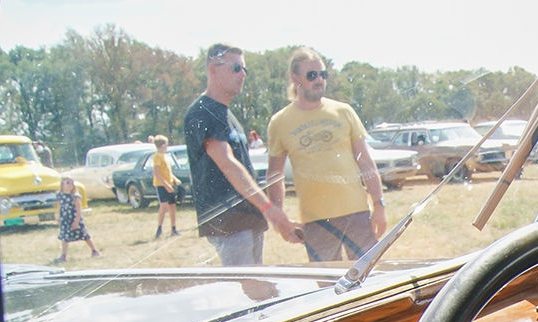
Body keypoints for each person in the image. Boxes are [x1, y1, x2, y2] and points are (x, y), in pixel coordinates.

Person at [266, 47, 388, 262]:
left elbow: (366, 162)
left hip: (356, 214)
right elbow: (275, 175)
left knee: (369, 279)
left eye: (323, 74)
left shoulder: (344, 111)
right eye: (312, 75)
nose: (319, 80)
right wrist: (280, 218)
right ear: (295, 78)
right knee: (327, 287)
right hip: (316, 221)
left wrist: (378, 205)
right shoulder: (279, 122)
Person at [184, 43, 300, 266]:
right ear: (212, 69)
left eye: (244, 69)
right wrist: (269, 209)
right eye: (236, 68)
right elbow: (227, 163)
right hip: (229, 225)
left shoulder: (226, 114)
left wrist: (271, 215)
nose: (243, 75)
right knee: (249, 290)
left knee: (257, 290)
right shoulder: (204, 112)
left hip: (247, 221)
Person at [54, 176, 99, 262]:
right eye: (67, 183)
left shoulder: (75, 196)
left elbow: (79, 210)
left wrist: (76, 221)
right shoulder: (59, 195)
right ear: (62, 184)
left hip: (74, 218)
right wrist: (59, 217)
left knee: (84, 235)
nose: (70, 185)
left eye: (71, 183)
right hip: (65, 219)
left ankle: (94, 250)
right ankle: (63, 255)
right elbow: (59, 207)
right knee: (64, 237)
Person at [150, 134, 182, 240]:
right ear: (162, 145)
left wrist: (174, 179)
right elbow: (157, 173)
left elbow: (168, 172)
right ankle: (159, 228)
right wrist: (166, 185)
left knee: (172, 206)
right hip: (161, 185)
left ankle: (174, 228)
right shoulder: (157, 156)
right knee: (163, 206)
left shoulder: (165, 156)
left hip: (169, 184)